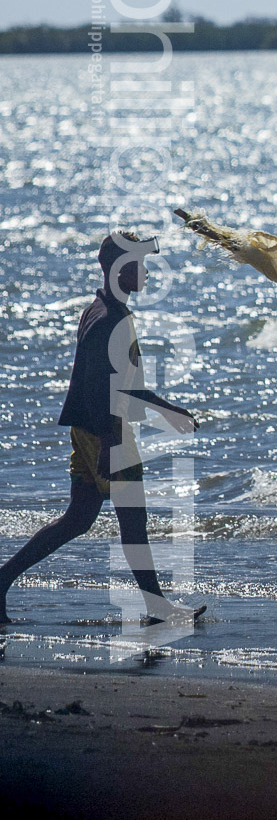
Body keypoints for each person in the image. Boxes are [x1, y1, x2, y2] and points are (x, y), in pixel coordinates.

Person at [0, 232, 201, 625]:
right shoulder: (111, 319)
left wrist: (169, 410)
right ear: (118, 270)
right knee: (133, 521)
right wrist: (110, 443)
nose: (144, 273)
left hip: (91, 429)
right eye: (137, 266)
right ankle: (157, 607)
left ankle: (2, 579)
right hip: (106, 431)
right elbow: (99, 386)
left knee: (78, 519)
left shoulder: (102, 310)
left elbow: (125, 385)